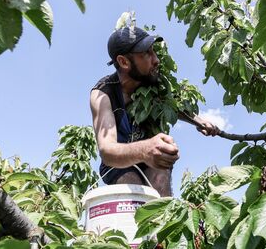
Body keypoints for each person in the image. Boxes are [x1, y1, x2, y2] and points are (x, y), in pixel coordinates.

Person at [90, 26, 220, 197]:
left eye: (154, 51)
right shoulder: (103, 94)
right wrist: (145, 150)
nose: (156, 59)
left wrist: (198, 121)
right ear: (124, 62)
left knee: (160, 190)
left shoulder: (152, 81)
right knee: (133, 187)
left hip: (154, 159)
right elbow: (107, 151)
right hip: (119, 164)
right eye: (146, 54)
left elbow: (171, 106)